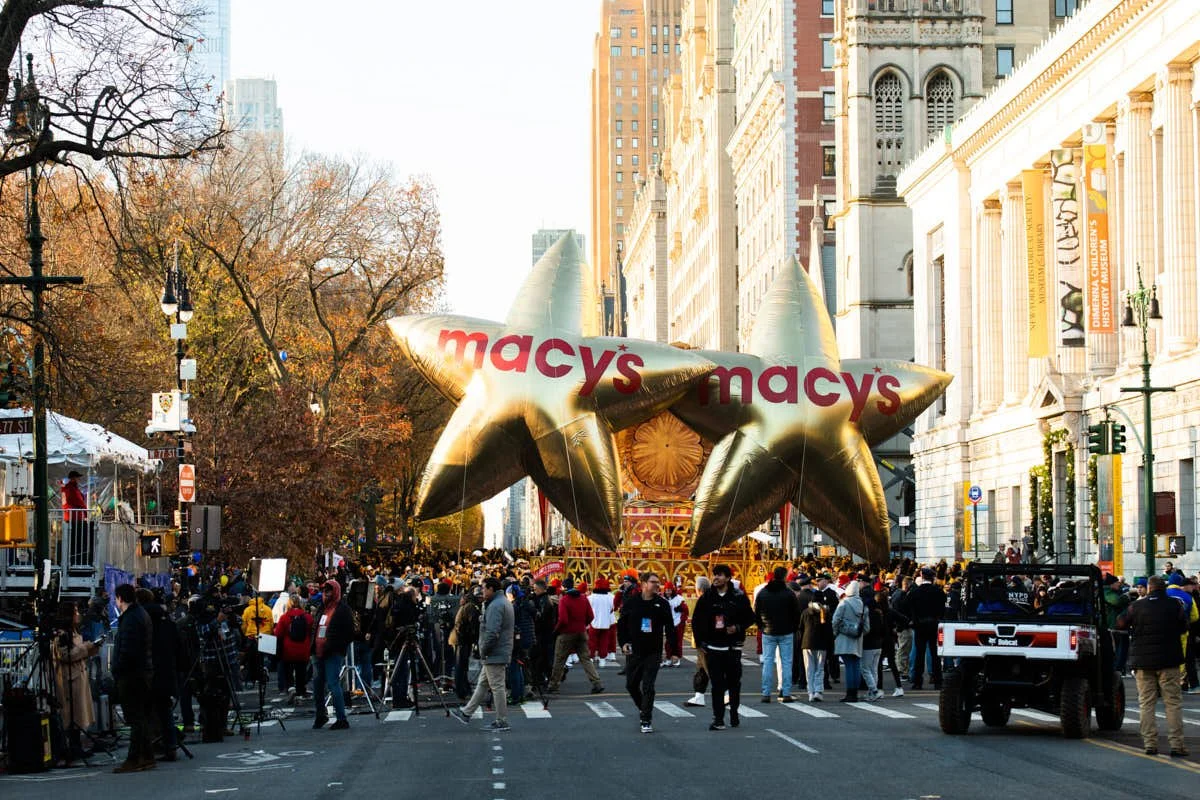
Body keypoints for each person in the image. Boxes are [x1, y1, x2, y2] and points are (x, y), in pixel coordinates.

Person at [1116, 575, 1189, 756]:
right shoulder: (1174, 605)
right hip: (1169, 660)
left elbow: (1120, 622)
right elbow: (1184, 627)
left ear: (1149, 588)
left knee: (1146, 703)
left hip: (1143, 661)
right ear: (1164, 588)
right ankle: (1177, 745)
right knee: (1173, 703)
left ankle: (1150, 744)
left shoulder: (1136, 606)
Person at [691, 564, 755, 731]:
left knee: (734, 683)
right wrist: (701, 643)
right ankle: (718, 719)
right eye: (714, 575)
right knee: (717, 685)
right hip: (713, 647)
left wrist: (737, 628)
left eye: (719, 575)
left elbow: (750, 617)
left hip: (733, 647)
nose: (716, 578)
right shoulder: (707, 597)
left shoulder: (738, 596)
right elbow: (697, 621)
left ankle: (734, 713)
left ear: (727, 578)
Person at [452, 577, 515, 731]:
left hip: (494, 652)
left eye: (484, 588)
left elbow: (492, 632)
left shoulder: (496, 605)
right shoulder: (501, 602)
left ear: (492, 589)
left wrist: (484, 650)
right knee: (483, 683)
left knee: (497, 686)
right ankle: (467, 713)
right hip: (497, 650)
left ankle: (501, 720)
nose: (482, 591)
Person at [617, 572, 674, 733]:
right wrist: (624, 643)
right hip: (634, 650)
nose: (657, 585)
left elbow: (670, 627)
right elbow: (622, 625)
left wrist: (673, 650)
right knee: (631, 685)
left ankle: (646, 719)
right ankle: (643, 707)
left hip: (653, 651)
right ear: (643, 584)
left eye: (658, 582)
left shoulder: (662, 604)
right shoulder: (631, 602)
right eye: (653, 582)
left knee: (648, 685)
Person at [111, 583, 155, 772]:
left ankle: (135, 758)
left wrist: (118, 668)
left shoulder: (130, 619)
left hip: (132, 674)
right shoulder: (139, 615)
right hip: (141, 672)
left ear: (120, 598)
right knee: (140, 717)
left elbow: (128, 650)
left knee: (135, 717)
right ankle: (147, 756)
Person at [51, 602, 99, 765]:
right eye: (75, 611)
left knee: (78, 713)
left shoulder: (74, 632)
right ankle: (72, 746)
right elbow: (65, 655)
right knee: (73, 713)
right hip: (70, 678)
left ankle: (76, 745)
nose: (78, 614)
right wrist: (86, 647)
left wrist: (92, 647)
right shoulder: (62, 634)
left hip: (78, 675)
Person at [548, 577, 604, 694]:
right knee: (586, 659)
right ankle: (596, 683)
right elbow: (591, 616)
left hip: (566, 633)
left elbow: (563, 619)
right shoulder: (583, 598)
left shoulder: (564, 600)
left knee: (559, 659)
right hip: (581, 631)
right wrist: (583, 624)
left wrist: (556, 630)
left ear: (564, 587)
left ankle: (554, 685)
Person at [312, 578, 354, 730]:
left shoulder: (343, 609)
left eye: (329, 590)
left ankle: (341, 718)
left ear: (335, 591)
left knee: (332, 684)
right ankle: (321, 715)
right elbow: (316, 626)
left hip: (333, 652)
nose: (326, 593)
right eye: (324, 590)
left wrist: (336, 646)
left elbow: (349, 632)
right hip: (318, 651)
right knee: (317, 686)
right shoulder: (322, 607)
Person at [754, 565, 800, 703]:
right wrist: (793, 627)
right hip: (786, 631)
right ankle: (786, 692)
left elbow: (757, 611)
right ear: (784, 577)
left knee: (768, 662)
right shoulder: (789, 593)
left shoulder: (763, 592)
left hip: (768, 631)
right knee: (786, 662)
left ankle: (766, 693)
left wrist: (762, 626)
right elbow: (796, 613)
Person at [902, 566, 945, 690]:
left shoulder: (915, 592)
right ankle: (938, 680)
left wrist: (913, 618)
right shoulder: (938, 591)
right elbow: (943, 608)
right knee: (935, 654)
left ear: (922, 576)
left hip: (919, 626)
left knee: (919, 654)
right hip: (934, 625)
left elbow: (905, 605)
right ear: (932, 578)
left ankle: (917, 681)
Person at [832, 578, 870, 702]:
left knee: (848, 665)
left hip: (844, 638)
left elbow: (835, 620)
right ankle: (855, 693)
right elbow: (867, 627)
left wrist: (835, 633)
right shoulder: (863, 605)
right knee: (855, 666)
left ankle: (849, 693)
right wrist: (859, 633)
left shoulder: (843, 603)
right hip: (857, 640)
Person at [274, 595, 313, 699]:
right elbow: (311, 632)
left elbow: (278, 634)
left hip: (288, 649)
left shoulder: (285, 617)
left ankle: (291, 688)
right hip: (303, 649)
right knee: (301, 671)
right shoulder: (307, 617)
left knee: (288, 671)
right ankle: (301, 690)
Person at [449, 587, 482, 701]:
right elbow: (472, 625)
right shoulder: (471, 607)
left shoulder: (468, 605)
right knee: (461, 665)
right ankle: (461, 690)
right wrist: (475, 639)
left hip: (460, 638)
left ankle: (464, 688)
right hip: (461, 639)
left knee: (462, 665)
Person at [685, 576, 711, 707]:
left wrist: (701, 640)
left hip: (705, 641)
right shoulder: (708, 599)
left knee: (709, 668)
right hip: (703, 640)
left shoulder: (705, 600)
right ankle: (699, 695)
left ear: (698, 589)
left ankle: (726, 694)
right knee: (701, 669)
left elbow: (698, 622)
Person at [587, 577, 617, 667]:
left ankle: (591, 657)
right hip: (606, 624)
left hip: (594, 623)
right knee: (604, 642)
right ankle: (602, 660)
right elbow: (612, 609)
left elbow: (587, 610)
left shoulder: (590, 598)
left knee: (592, 641)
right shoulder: (611, 598)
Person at [62, 470, 88, 564]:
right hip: (75, 518)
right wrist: (86, 512)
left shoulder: (67, 488)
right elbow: (79, 501)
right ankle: (76, 561)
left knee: (72, 541)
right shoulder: (71, 489)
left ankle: (71, 560)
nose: (79, 479)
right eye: (77, 477)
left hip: (70, 517)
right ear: (73, 478)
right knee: (77, 541)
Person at [662, 581, 688, 667]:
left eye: (669, 590)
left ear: (672, 590)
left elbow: (686, 610)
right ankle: (669, 659)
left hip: (678, 623)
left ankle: (677, 659)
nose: (668, 592)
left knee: (677, 642)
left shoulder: (679, 599)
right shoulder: (663, 599)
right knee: (668, 642)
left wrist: (681, 611)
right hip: (668, 623)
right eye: (666, 590)